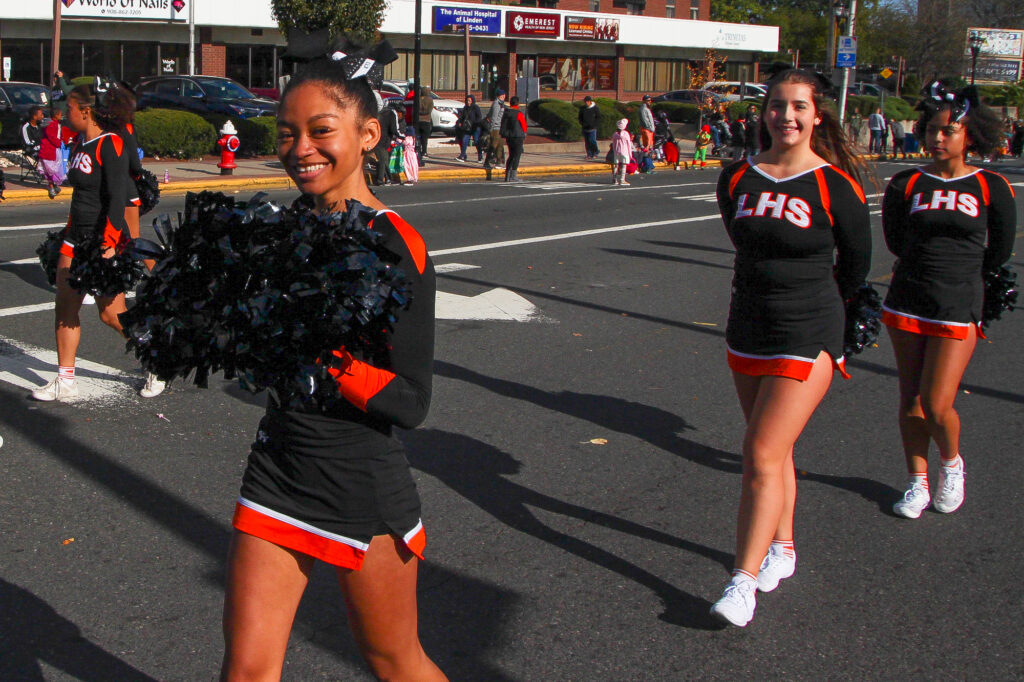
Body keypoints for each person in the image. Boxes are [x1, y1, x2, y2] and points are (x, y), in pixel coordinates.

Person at [221, 42, 445, 681]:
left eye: (320, 131)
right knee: (246, 670)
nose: (301, 149)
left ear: (368, 135)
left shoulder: (395, 242)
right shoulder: (286, 227)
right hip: (278, 467)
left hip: (358, 481)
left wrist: (323, 355)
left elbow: (412, 402)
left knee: (394, 661)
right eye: (287, 133)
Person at [711, 69, 872, 627]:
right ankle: (783, 546)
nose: (787, 116)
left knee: (759, 453)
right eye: (777, 105)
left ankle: (742, 581)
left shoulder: (836, 186)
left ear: (817, 115)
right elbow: (745, 244)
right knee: (774, 452)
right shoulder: (737, 178)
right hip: (747, 328)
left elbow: (855, 267)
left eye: (799, 106)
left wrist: (824, 312)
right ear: (764, 113)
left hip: (808, 332)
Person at [881, 84, 1016, 520]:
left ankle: (952, 464)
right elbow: (895, 240)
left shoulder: (991, 186)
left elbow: (999, 251)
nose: (936, 138)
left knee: (937, 403)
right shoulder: (906, 183)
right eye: (931, 130)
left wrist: (963, 276)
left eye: (948, 131)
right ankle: (917, 481)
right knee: (911, 401)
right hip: (907, 299)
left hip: (957, 303)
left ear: (970, 135)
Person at [31, 82, 139, 402]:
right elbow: (80, 196)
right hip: (74, 237)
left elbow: (117, 197)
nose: (65, 115)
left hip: (101, 240)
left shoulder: (111, 143)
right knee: (65, 306)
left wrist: (110, 243)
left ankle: (155, 360)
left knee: (111, 315)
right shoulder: (80, 143)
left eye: (69, 109)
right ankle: (65, 380)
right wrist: (67, 233)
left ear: (86, 111)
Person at [39, 104, 77, 199]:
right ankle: (51, 186)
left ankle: (53, 184)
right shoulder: (51, 125)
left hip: (54, 150)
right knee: (50, 169)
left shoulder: (55, 124)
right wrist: (59, 143)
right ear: (56, 115)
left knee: (55, 168)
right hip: (49, 150)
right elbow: (52, 137)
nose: (61, 116)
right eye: (60, 114)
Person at [501, 95, 527, 183]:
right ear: (518, 104)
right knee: (517, 155)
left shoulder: (506, 113)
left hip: (509, 136)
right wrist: (524, 133)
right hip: (518, 136)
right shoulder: (518, 113)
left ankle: (507, 175)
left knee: (511, 155)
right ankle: (513, 175)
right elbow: (524, 126)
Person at [454, 94, 483, 162]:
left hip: (475, 127)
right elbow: (462, 117)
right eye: (467, 100)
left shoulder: (476, 108)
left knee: (476, 141)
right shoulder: (465, 108)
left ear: (472, 101)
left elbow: (479, 117)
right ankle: (463, 155)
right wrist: (459, 122)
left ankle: (480, 155)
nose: (468, 102)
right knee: (465, 140)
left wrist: (474, 122)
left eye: (469, 101)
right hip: (467, 128)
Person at [483, 89, 507, 169]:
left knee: (500, 145)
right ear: (498, 96)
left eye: (503, 95)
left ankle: (499, 162)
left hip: (500, 128)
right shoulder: (497, 104)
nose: (503, 96)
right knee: (493, 146)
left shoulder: (501, 104)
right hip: (495, 128)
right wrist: (491, 128)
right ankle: (487, 162)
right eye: (501, 95)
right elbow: (494, 117)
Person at [610, 118, 633, 186]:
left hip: (617, 151)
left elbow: (613, 144)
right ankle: (622, 180)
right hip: (625, 151)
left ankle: (614, 179)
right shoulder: (626, 134)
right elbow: (629, 144)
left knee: (616, 165)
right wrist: (630, 154)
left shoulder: (615, 134)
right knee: (624, 165)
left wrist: (614, 151)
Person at [578, 95, 601, 160]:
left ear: (590, 101)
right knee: (587, 142)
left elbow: (598, 117)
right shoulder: (582, 108)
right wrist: (582, 123)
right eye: (585, 101)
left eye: (587, 101)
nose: (586, 103)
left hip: (592, 128)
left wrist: (594, 124)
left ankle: (595, 152)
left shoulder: (595, 108)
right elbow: (580, 117)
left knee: (592, 140)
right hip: (585, 127)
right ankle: (589, 154)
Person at [416, 85, 434, 162]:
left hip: (418, 121)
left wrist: (419, 113)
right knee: (424, 138)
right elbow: (429, 110)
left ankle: (418, 150)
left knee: (418, 137)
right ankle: (424, 152)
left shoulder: (418, 99)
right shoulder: (430, 100)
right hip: (426, 121)